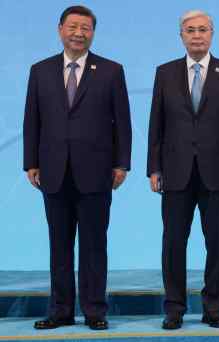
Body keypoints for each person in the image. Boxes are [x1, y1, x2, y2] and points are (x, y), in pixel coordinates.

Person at [23, 5, 132, 331]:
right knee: (59, 245)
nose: (78, 33)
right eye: (73, 27)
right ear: (60, 29)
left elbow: (122, 123)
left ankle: (95, 310)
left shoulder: (111, 70)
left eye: (85, 28)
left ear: (92, 33)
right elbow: (32, 120)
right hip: (52, 171)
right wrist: (30, 162)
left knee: (94, 245)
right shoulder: (40, 70)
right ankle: (60, 311)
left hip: (97, 171)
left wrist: (121, 163)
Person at [146, 10, 219, 330]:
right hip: (175, 172)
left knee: (217, 243)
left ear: (212, 34)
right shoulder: (165, 72)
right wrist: (154, 167)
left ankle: (213, 307)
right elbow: (156, 123)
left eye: (203, 30)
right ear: (181, 36)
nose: (197, 35)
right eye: (190, 30)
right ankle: (174, 308)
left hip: (218, 172)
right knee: (173, 243)